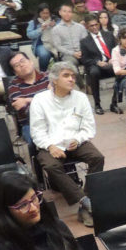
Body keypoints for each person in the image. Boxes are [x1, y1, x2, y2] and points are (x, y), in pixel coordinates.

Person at [28, 62, 104, 227]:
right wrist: (50, 146)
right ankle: (85, 202)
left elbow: (89, 128)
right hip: (50, 144)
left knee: (97, 157)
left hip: (76, 141)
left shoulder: (81, 98)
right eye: (66, 75)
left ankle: (85, 204)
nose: (71, 79)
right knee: (51, 165)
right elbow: (37, 132)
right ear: (54, 80)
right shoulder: (39, 100)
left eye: (73, 76)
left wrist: (78, 139)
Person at [79, 13, 119, 115]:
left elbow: (117, 49)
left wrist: (113, 58)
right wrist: (97, 62)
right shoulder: (84, 41)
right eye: (91, 26)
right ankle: (97, 104)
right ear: (87, 27)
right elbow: (84, 59)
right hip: (96, 66)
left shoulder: (109, 35)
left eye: (96, 24)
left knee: (120, 71)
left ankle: (114, 102)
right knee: (93, 72)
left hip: (110, 63)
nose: (95, 27)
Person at [7, 50, 49, 143]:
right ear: (15, 72)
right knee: (33, 141)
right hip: (31, 123)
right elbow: (23, 109)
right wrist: (48, 100)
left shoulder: (48, 77)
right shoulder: (13, 86)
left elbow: (57, 99)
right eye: (17, 65)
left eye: (22, 61)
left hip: (55, 117)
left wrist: (27, 100)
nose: (21, 65)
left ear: (30, 61)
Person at [25, 3, 57, 71]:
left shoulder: (55, 20)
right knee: (44, 54)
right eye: (43, 13)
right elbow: (29, 35)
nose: (45, 15)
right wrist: (40, 29)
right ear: (39, 13)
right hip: (40, 44)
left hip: (54, 44)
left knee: (62, 52)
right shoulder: (33, 22)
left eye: (47, 13)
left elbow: (62, 32)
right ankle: (43, 72)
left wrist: (55, 26)